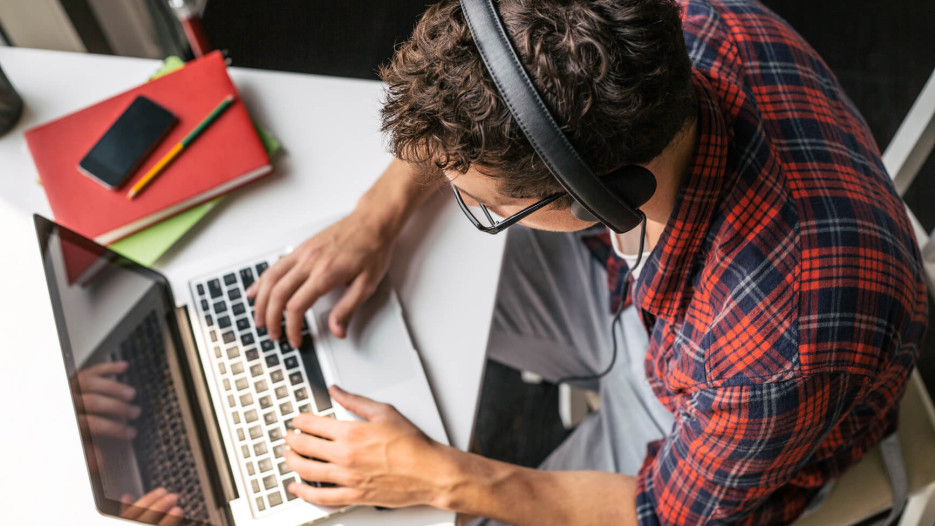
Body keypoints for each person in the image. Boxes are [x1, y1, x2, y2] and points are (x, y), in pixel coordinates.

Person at [245, 0, 929, 524]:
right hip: (638, 293)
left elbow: (661, 511)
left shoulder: (780, 350)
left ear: (609, 193)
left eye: (479, 200)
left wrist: (440, 478)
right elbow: (484, 98)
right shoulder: (666, 30)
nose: (451, 195)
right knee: (389, 275)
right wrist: (375, 216)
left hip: (715, 417)